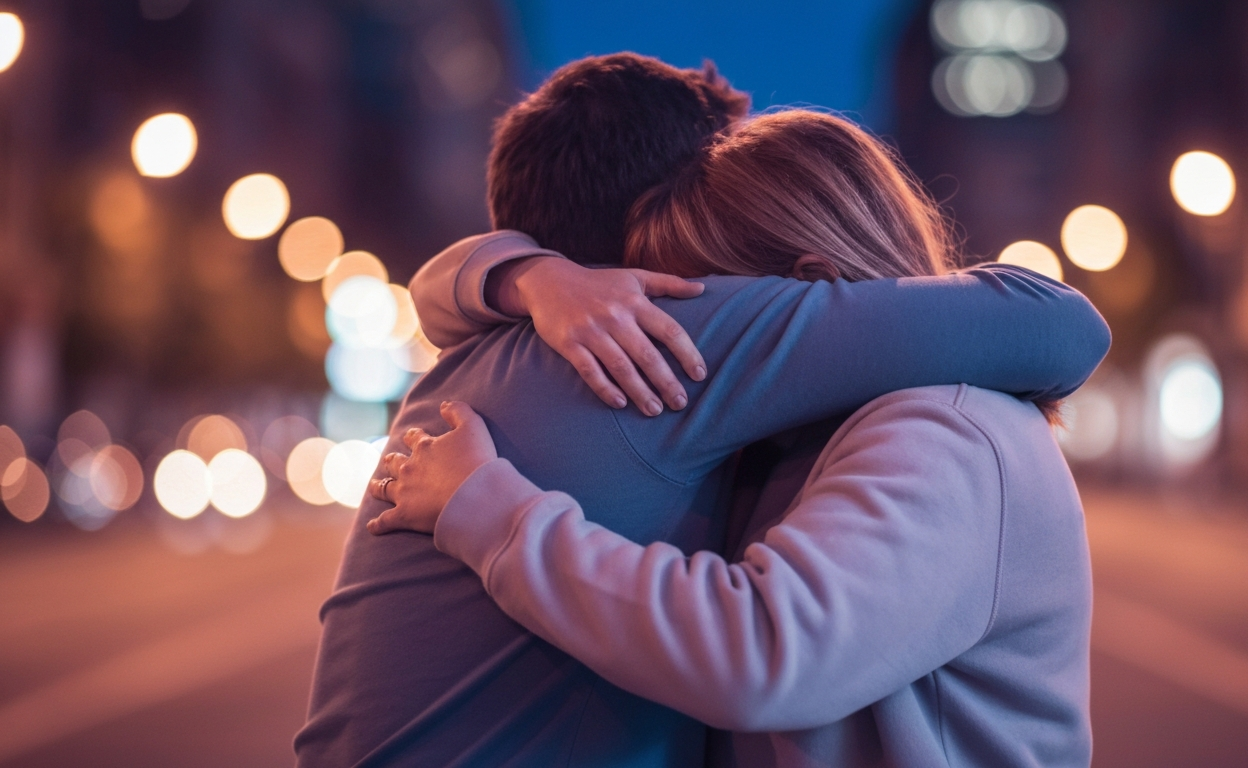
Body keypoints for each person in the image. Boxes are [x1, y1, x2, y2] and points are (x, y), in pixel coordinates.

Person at [296, 54, 1109, 768]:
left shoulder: (943, 427)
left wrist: (520, 277)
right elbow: (1055, 321)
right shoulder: (679, 337)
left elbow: (765, 651)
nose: (695, 306)